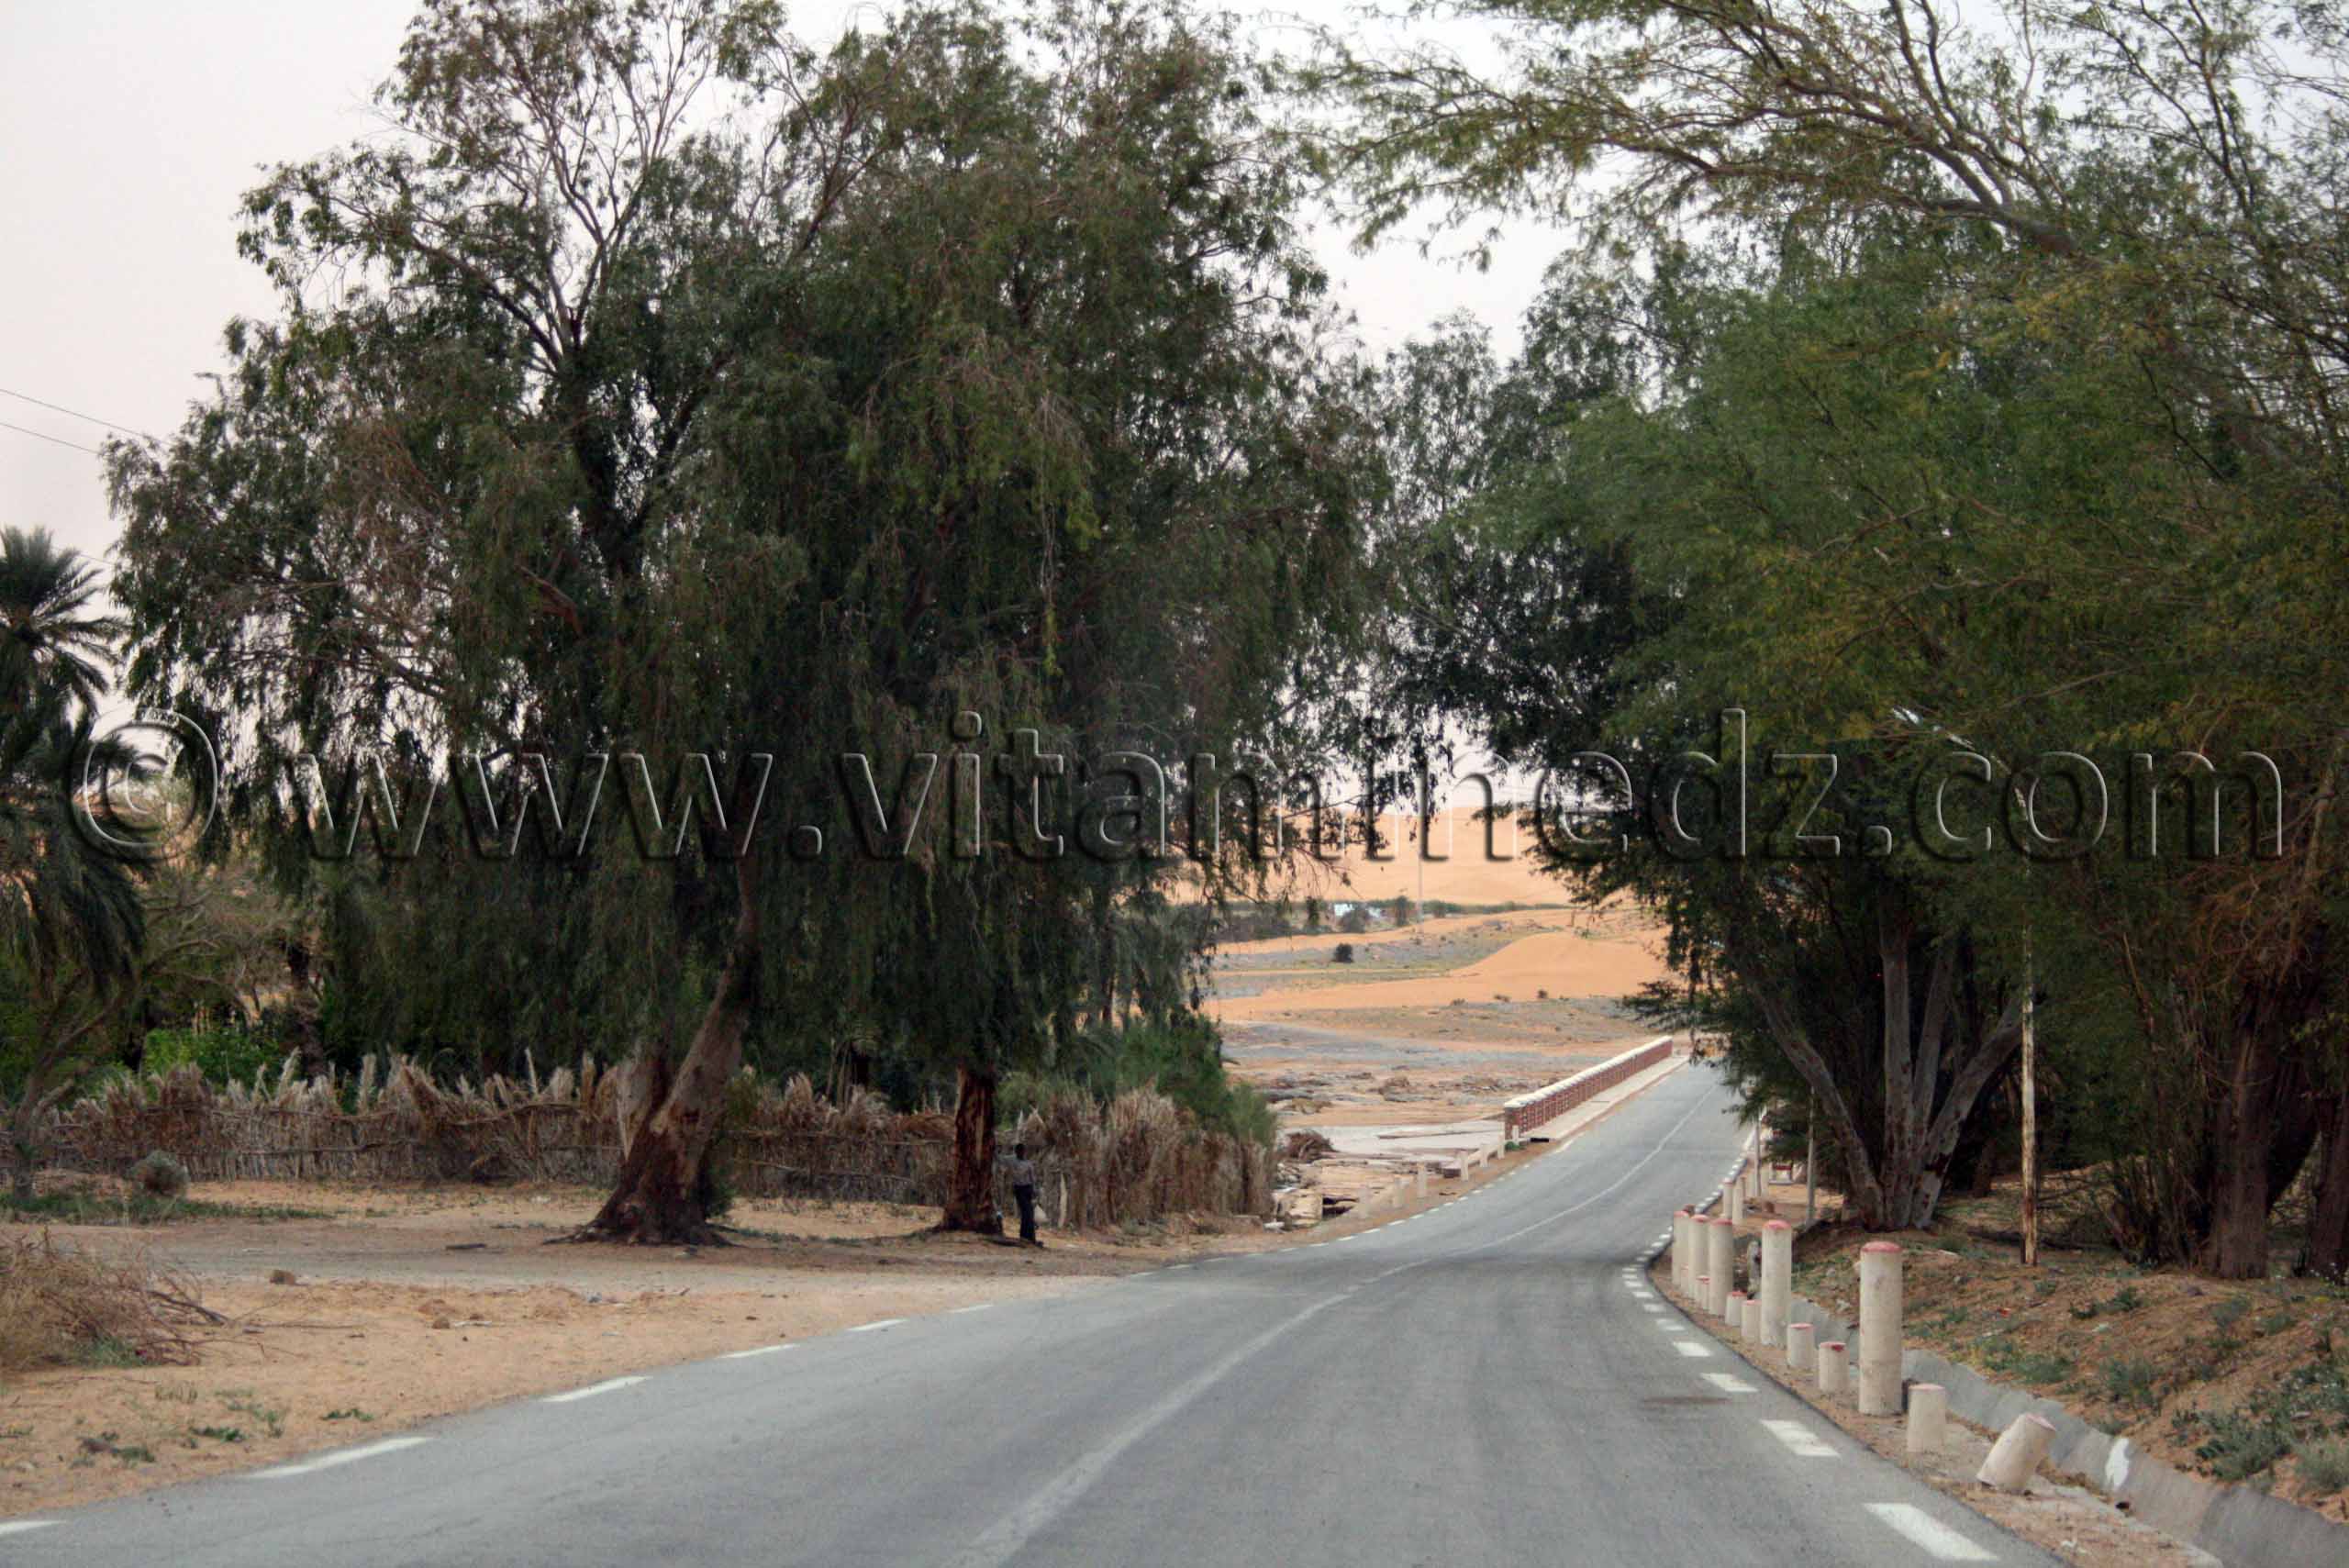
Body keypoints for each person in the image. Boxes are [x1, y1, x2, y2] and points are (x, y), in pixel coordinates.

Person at [1006, 1140, 1040, 1244]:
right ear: (1016, 1151)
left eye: (1022, 1151)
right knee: (1027, 1212)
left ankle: (1029, 1237)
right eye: (1019, 1151)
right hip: (1019, 1189)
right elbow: (999, 1159)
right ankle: (1026, 1236)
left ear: (1024, 1152)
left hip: (1027, 1189)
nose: (1021, 1153)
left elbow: (1032, 1178)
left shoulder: (1028, 1164)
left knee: (1029, 1212)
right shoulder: (1011, 1160)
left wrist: (1034, 1190)